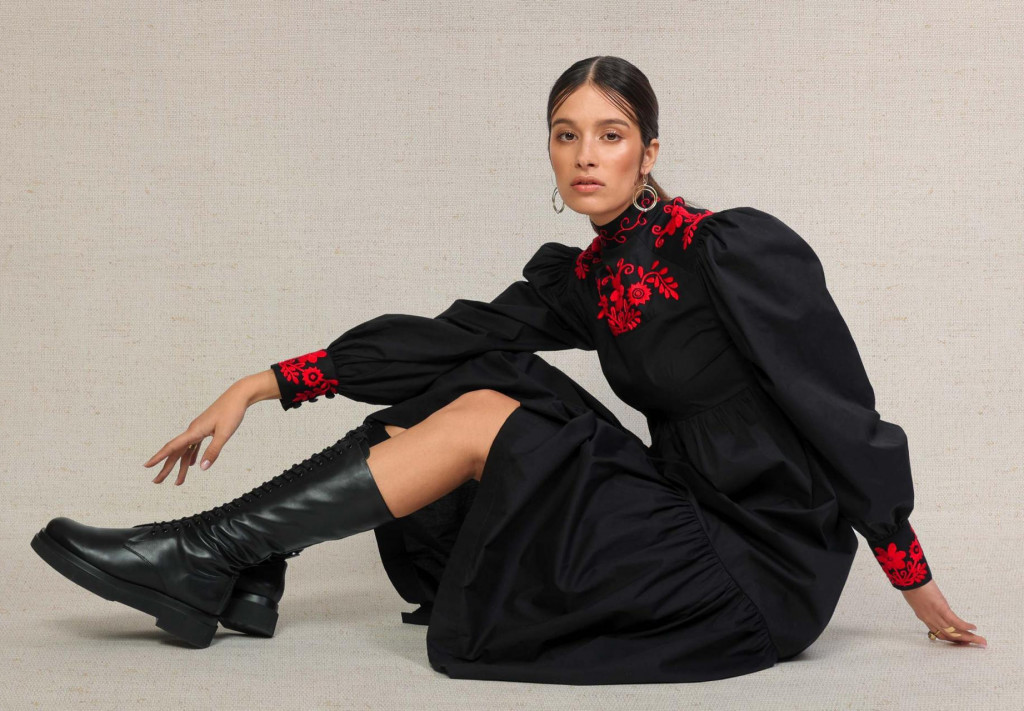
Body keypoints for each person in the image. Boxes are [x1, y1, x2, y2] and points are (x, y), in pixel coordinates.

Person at [30, 56, 986, 685]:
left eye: (610, 133)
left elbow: (836, 409)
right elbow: (447, 338)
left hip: (758, 563)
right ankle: (242, 557)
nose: (585, 156)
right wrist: (264, 382)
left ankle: (209, 554)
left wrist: (910, 574)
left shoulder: (728, 250)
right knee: (473, 369)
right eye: (566, 134)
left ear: (650, 150)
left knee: (490, 407)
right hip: (680, 509)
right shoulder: (588, 277)